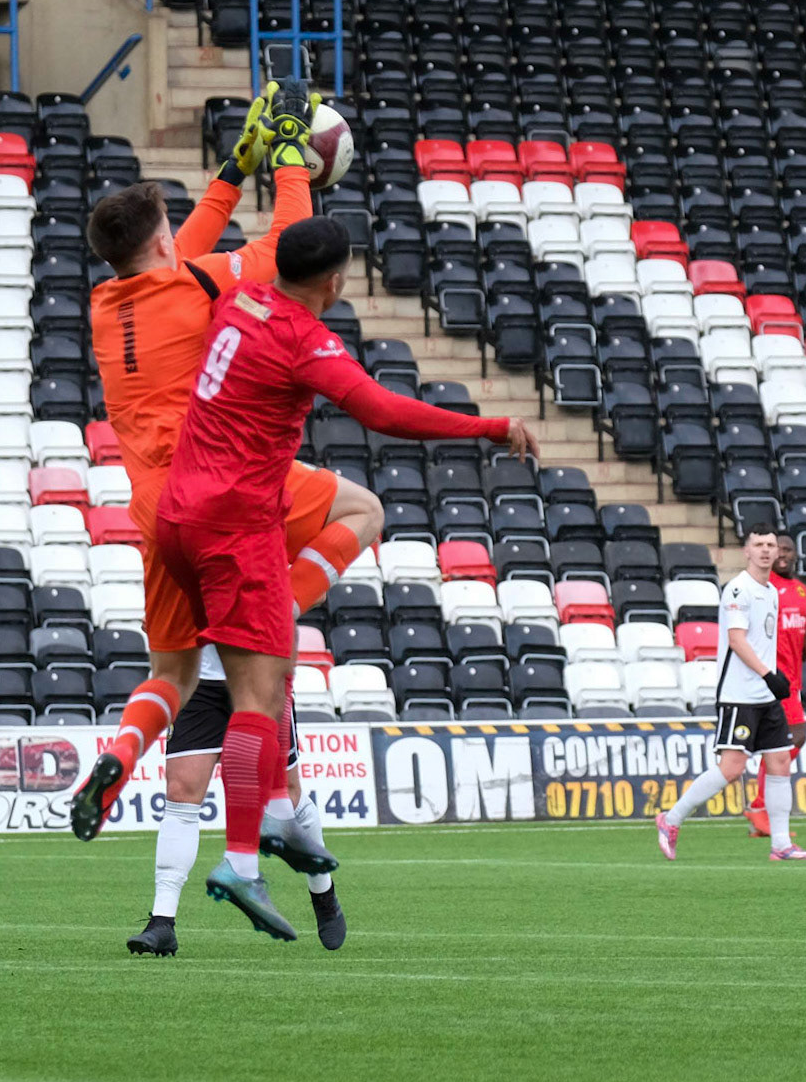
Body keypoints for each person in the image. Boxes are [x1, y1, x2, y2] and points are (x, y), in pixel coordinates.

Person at [156, 217, 537, 938]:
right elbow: (382, 410)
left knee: (268, 670)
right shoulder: (303, 338)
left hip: (177, 516)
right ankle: (246, 852)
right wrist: (487, 428)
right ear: (334, 282)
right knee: (262, 693)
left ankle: (273, 826)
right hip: (235, 529)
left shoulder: (238, 302)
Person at [66, 81, 377, 846]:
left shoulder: (110, 304)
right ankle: (278, 614)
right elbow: (284, 251)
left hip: (153, 515)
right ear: (164, 242)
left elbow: (185, 252)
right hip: (219, 483)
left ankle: (117, 753)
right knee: (362, 509)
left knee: (169, 674)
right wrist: (291, 162)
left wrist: (235, 169)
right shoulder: (195, 286)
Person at [125, 646, 346, 957]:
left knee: (288, 798)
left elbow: (315, 596)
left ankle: (322, 890)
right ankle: (162, 922)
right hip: (197, 681)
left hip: (260, 675)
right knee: (180, 795)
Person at [655, 524, 806, 862]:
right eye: (758, 544)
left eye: (770, 545)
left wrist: (773, 681)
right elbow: (737, 640)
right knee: (731, 768)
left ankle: (781, 844)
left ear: (777, 551)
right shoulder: (738, 590)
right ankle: (670, 819)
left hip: (765, 695)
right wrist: (768, 674)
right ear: (746, 551)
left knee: (779, 764)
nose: (765, 550)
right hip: (739, 695)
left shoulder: (772, 591)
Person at [743, 531, 806, 839]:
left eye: (787, 549)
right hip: (773, 679)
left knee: (787, 743)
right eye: (776, 549)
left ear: (794, 554)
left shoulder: (798, 590)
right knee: (788, 741)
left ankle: (761, 813)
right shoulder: (763, 588)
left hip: (792, 681)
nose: (781, 553)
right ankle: (760, 809)